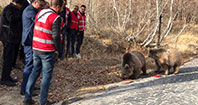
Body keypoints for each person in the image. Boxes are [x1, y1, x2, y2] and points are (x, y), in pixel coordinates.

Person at [23, 0, 64, 104]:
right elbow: (56, 36)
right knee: (46, 76)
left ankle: (27, 98)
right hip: (47, 51)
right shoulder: (56, 18)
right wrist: (59, 50)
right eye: (63, 7)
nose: (63, 9)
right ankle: (43, 101)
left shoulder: (41, 12)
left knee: (34, 72)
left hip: (36, 48)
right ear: (58, 7)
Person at [20, 0, 45, 95]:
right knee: (29, 65)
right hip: (29, 42)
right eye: (41, 5)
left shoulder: (34, 10)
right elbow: (39, 21)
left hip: (33, 41)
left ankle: (29, 86)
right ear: (35, 2)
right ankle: (25, 90)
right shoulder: (29, 10)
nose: (41, 6)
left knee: (33, 65)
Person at [0, 0, 23, 86]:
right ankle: (4, 79)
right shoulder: (9, 9)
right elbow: (11, 19)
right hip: (8, 37)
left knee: (10, 59)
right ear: (17, 3)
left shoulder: (13, 9)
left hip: (12, 37)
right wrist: (20, 16)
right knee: (7, 58)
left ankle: (7, 76)